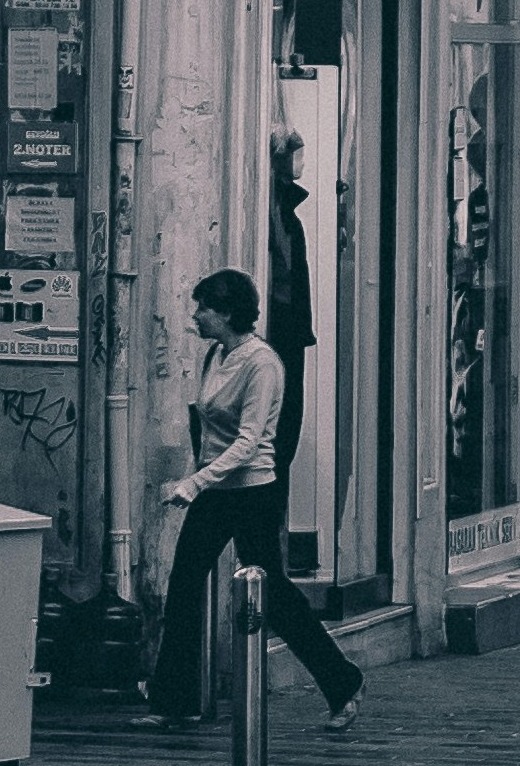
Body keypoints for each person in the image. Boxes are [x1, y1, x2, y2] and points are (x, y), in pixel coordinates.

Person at [153, 272, 366, 733]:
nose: (195, 316)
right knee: (185, 584)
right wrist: (203, 479)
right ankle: (174, 699)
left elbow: (249, 442)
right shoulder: (216, 355)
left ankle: (343, 682)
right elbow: (207, 428)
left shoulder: (262, 363)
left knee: (274, 596)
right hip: (217, 490)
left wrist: (192, 484)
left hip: (253, 492)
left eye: (203, 307)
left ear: (226, 313)